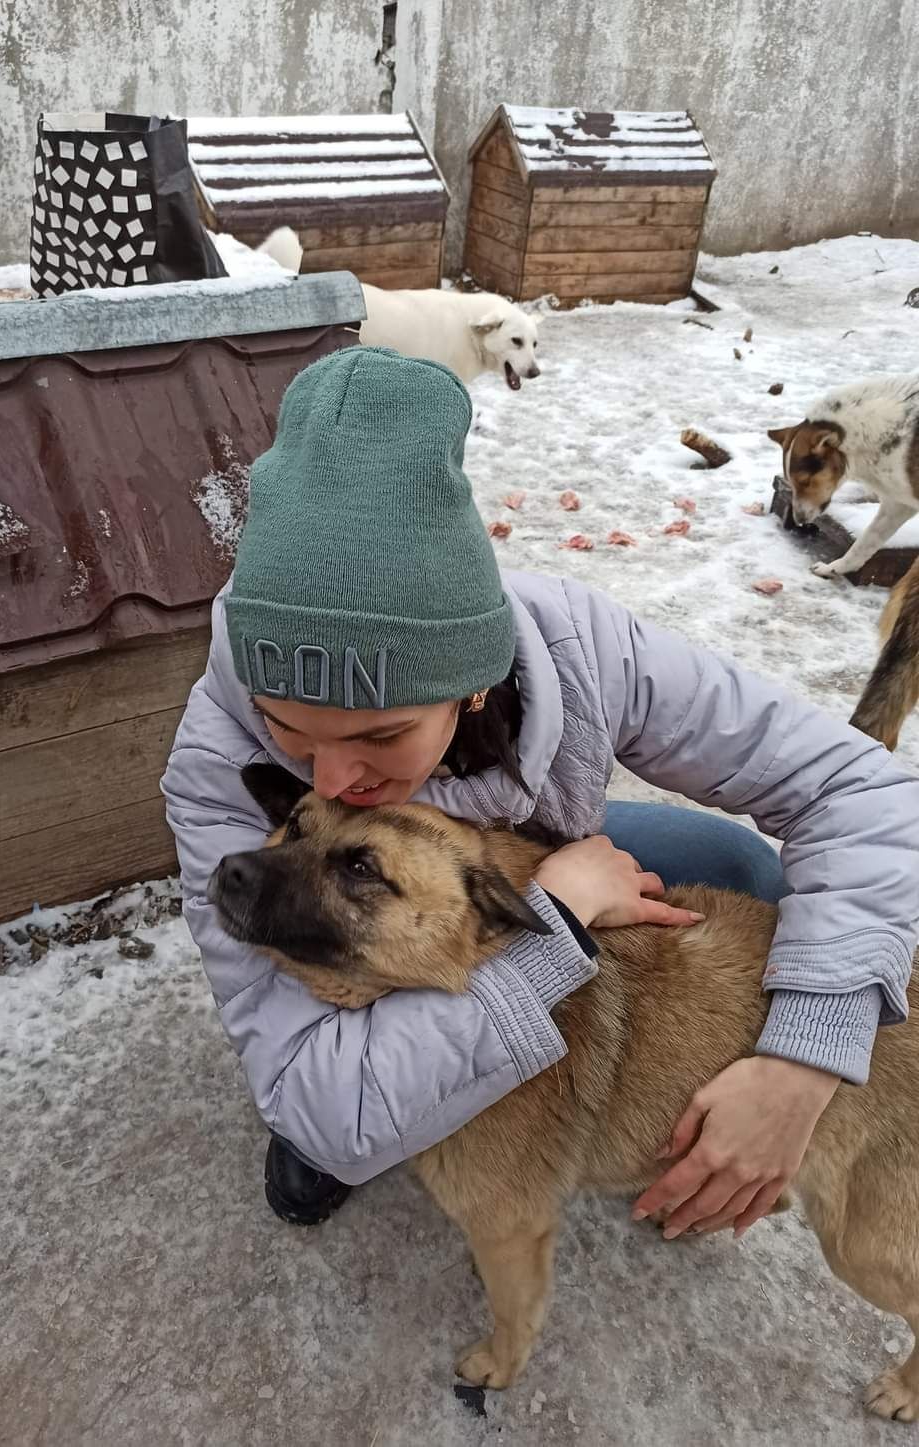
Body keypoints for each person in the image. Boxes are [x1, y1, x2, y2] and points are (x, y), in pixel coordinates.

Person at [162, 347, 919, 1234]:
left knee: (736, 868)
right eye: (287, 730)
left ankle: (704, 1115)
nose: (331, 782)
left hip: (514, 873)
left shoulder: (580, 649)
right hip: (417, 923)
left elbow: (859, 788)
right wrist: (553, 926)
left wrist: (808, 1056)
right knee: (334, 1110)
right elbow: (322, 1098)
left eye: (381, 734)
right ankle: (374, 1084)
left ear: (473, 683)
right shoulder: (213, 753)